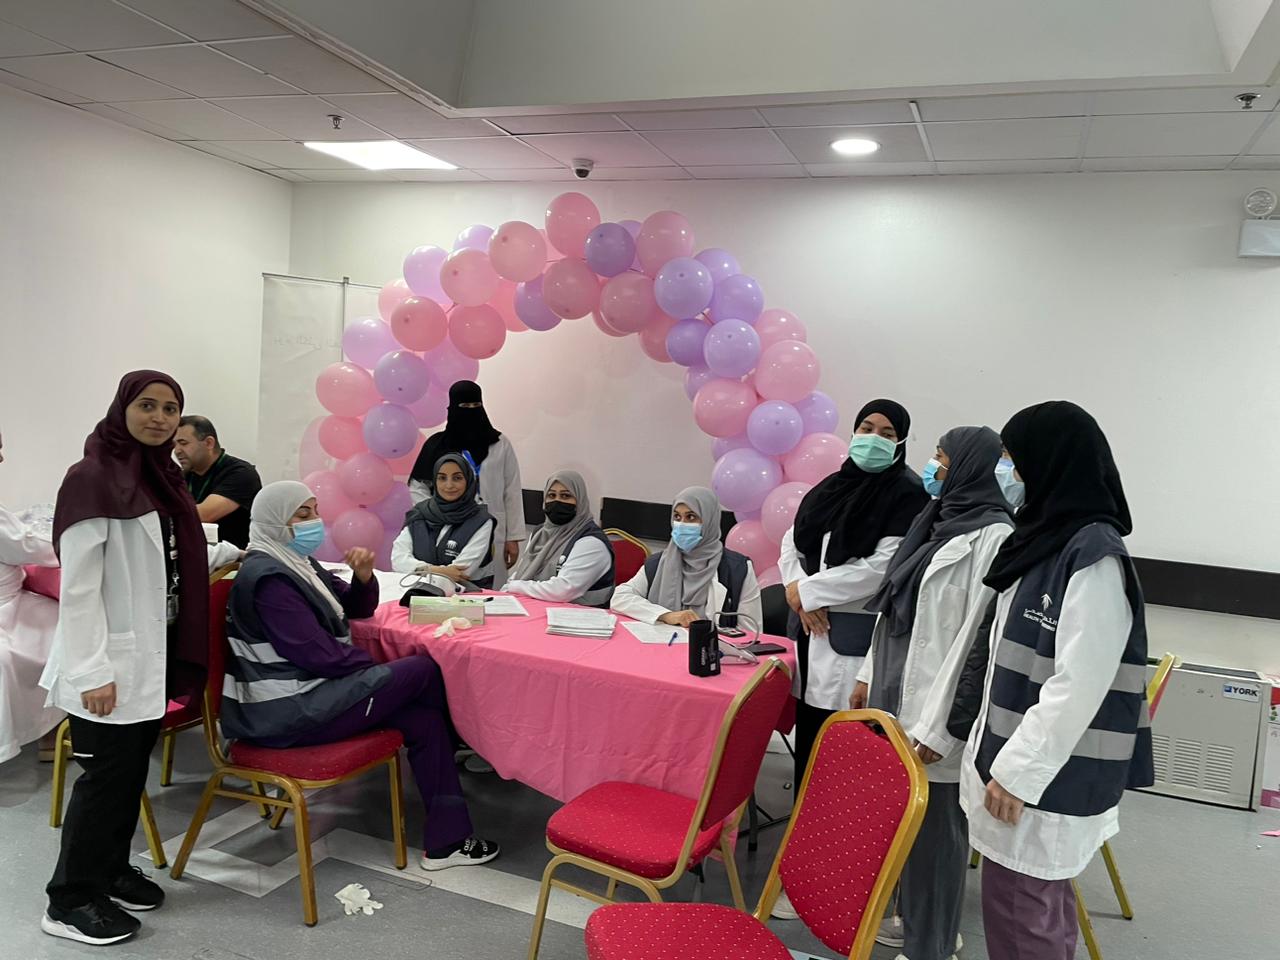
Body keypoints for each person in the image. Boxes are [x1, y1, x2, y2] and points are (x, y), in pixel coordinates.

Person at [950, 402, 1153, 960]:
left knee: (1023, 918)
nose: (1008, 473)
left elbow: (1079, 684)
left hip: (1045, 779)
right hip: (1026, 770)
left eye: (1014, 460)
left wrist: (1018, 774)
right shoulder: (1045, 540)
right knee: (1039, 910)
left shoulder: (1093, 555)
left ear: (1052, 462)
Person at [221, 480, 499, 872]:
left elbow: (355, 607)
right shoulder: (268, 579)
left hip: (313, 694)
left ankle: (447, 842)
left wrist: (363, 576)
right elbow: (321, 657)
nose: (314, 521)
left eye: (316, 510)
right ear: (274, 521)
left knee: (424, 719)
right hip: (286, 713)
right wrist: (379, 673)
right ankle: (468, 740)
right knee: (420, 668)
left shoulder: (296, 562)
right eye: (302, 514)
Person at [40, 371, 210, 946]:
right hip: (106, 666)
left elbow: (167, 559)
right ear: (123, 409)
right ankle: (68, 900)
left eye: (170, 409)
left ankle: (110, 871)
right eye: (147, 406)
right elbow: (79, 589)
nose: (160, 418)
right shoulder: (90, 478)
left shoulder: (163, 475)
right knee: (103, 782)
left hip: (150, 657)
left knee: (129, 776)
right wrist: (92, 672)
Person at [855, 426, 1014, 960]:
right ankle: (912, 920)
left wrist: (943, 728)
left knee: (936, 834)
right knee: (903, 821)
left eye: (942, 459)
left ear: (969, 467)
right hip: (894, 691)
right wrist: (867, 672)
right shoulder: (933, 521)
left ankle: (932, 945)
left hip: (935, 712)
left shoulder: (993, 537)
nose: (933, 467)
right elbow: (895, 609)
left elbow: (973, 644)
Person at [772, 399, 928, 921]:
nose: (873, 438)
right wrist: (798, 590)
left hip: (857, 648)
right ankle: (802, 876)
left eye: (886, 432)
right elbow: (791, 543)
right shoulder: (830, 487)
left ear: (900, 442)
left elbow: (882, 568)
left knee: (850, 770)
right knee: (811, 759)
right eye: (866, 427)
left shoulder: (908, 496)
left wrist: (810, 592)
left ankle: (846, 884)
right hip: (811, 635)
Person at [408, 382, 524, 587]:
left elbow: (512, 490)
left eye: (475, 406)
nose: (470, 411)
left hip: (493, 527)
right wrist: (435, 513)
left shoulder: (500, 443)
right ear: (452, 408)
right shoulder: (438, 445)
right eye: (464, 407)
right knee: (450, 582)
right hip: (449, 528)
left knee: (491, 589)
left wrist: (513, 537)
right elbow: (417, 485)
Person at [611, 486, 763, 630]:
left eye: (691, 517)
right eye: (677, 517)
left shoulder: (737, 569)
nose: (681, 524)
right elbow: (620, 598)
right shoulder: (657, 563)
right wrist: (666, 615)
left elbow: (751, 633)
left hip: (714, 648)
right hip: (663, 645)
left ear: (709, 520)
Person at [0, 429, 64, 764]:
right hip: (6, 610)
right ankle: (51, 733)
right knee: (64, 629)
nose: (1, 458)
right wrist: (71, 542)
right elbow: (28, 546)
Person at [504, 471, 614, 607]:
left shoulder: (592, 542)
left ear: (579, 500)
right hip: (534, 608)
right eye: (551, 495)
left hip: (580, 616)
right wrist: (507, 588)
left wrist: (514, 586)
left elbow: (562, 590)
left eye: (565, 496)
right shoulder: (540, 533)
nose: (557, 501)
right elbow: (523, 571)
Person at [392, 454, 495, 589]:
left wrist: (418, 569)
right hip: (416, 591)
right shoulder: (419, 513)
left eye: (457, 478)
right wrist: (436, 570)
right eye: (442, 478)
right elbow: (398, 559)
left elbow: (461, 572)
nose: (449, 485)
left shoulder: (481, 520)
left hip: (464, 596)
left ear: (468, 480)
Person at [172, 416, 262, 549]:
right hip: (198, 552)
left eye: (183, 443)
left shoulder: (241, 473)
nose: (177, 450)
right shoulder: (183, 475)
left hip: (234, 558)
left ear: (209, 443)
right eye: (174, 444)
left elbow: (204, 515)